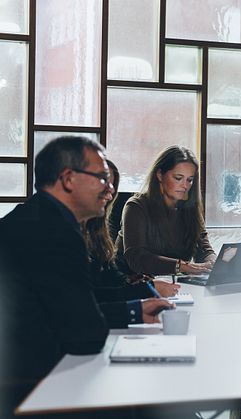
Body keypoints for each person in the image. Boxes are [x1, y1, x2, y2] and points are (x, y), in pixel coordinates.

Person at [0, 137, 172, 415]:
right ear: (68, 178)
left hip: (26, 371)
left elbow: (74, 304)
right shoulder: (54, 232)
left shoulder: (34, 217)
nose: (111, 188)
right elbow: (87, 334)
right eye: (103, 178)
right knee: (158, 399)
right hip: (29, 386)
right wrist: (127, 312)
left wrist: (133, 310)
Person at [84, 160, 180, 301]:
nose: (109, 194)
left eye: (111, 187)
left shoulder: (95, 227)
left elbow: (109, 274)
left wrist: (131, 280)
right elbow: (89, 297)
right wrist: (147, 289)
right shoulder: (65, 231)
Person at [116, 145, 216, 276]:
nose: (185, 186)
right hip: (133, 285)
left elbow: (203, 249)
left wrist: (213, 262)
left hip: (174, 284)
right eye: (178, 178)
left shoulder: (190, 208)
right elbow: (137, 257)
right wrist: (183, 266)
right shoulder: (136, 206)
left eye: (190, 180)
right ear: (159, 175)